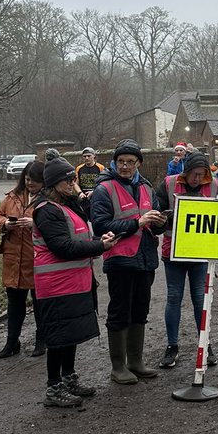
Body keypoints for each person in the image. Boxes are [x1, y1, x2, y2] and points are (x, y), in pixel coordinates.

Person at [32, 157, 117, 409]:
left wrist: (100, 237)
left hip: (73, 282)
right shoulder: (46, 209)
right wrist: (100, 246)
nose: (73, 183)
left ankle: (69, 378)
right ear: (54, 183)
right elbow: (62, 247)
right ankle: (53, 387)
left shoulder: (66, 205)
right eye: (68, 179)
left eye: (73, 178)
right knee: (58, 338)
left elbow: (79, 236)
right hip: (56, 285)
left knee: (70, 335)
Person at [90, 140, 166, 384]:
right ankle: (118, 366)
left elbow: (153, 216)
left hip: (145, 259)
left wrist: (160, 221)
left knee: (140, 310)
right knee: (120, 311)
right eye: (120, 161)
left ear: (138, 164)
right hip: (120, 259)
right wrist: (137, 223)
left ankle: (136, 361)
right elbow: (100, 224)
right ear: (114, 162)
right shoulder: (104, 189)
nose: (124, 166)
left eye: (130, 162)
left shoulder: (146, 187)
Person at [153, 150, 218, 369]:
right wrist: (164, 218)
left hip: (200, 252)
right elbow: (156, 217)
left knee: (200, 299)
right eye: (194, 174)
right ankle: (172, 347)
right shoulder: (169, 184)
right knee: (174, 297)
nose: (197, 179)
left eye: (201, 174)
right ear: (186, 171)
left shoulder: (215, 186)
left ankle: (205, 344)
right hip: (173, 252)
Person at [0, 160, 45, 358]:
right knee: (14, 302)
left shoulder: (48, 199)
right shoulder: (13, 196)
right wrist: (5, 223)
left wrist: (35, 224)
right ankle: (12, 342)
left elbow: (58, 224)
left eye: (36, 181)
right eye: (28, 179)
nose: (31, 184)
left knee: (40, 302)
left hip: (37, 257)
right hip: (14, 257)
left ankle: (42, 340)